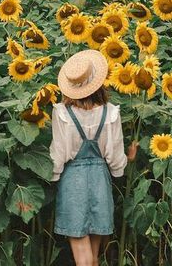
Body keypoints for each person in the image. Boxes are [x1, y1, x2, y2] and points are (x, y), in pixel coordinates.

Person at [49, 48, 138, 266]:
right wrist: (128, 159)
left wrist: (51, 176)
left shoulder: (62, 112)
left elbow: (58, 155)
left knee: (83, 258)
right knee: (93, 257)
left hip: (73, 183)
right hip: (100, 181)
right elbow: (115, 159)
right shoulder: (110, 113)